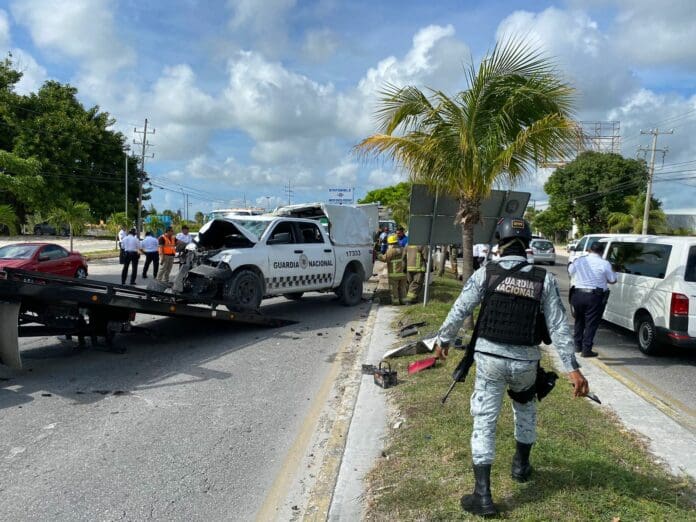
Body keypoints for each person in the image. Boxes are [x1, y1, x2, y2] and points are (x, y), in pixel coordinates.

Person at [433, 217, 589, 517]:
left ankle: (483, 495)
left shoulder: (485, 273)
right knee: (526, 410)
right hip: (525, 364)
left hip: (490, 361)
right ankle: (520, 467)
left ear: (499, 244)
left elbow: (460, 308)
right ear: (527, 244)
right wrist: (573, 369)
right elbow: (558, 327)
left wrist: (443, 339)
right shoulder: (543, 279)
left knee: (485, 420)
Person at [568, 241, 616, 358]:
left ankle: (577, 345)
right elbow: (613, 280)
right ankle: (586, 349)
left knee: (579, 320)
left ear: (589, 250)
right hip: (594, 297)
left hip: (577, 294)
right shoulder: (605, 264)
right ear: (602, 251)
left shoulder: (579, 260)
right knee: (591, 323)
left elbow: (570, 271)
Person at [377, 234, 407, 305]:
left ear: (390, 243)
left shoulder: (391, 251)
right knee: (402, 288)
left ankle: (396, 302)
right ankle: (404, 301)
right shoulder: (403, 249)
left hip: (394, 274)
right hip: (404, 273)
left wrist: (378, 255)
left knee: (394, 289)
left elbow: (384, 259)